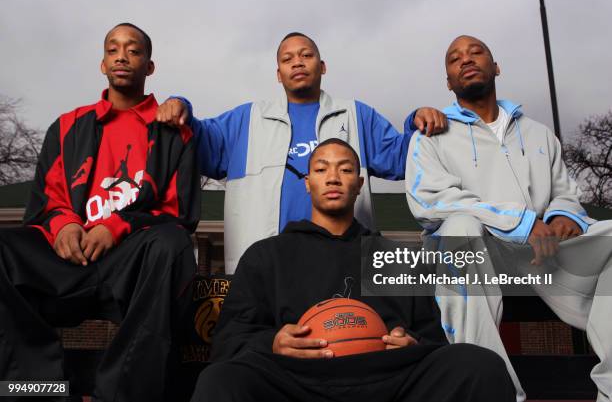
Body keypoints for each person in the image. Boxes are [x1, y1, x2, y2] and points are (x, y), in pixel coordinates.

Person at [189, 138, 516, 402]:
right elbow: (228, 341)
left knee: (479, 365)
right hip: (298, 382)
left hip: (387, 380)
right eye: (321, 169)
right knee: (221, 380)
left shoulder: (394, 257)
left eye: (345, 170)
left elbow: (432, 341)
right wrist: (272, 342)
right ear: (307, 183)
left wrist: (412, 343)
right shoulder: (266, 255)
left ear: (358, 184)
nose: (333, 177)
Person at [405, 35, 612, 402]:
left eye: (476, 52)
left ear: (495, 66)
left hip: (541, 253)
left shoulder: (538, 134)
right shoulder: (431, 135)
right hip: (479, 252)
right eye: (455, 59)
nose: (466, 60)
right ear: (449, 81)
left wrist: (564, 216)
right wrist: (521, 222)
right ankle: (491, 392)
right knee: (460, 229)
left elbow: (564, 191)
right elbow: (431, 201)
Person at [0, 23, 200, 401]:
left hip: (128, 259)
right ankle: (37, 388)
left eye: (134, 50)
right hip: (65, 257)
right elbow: (46, 199)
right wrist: (64, 225)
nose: (122, 56)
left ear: (149, 66)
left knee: (171, 242)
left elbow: (180, 212)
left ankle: (121, 392)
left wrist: (117, 225)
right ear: (103, 63)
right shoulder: (66, 126)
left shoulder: (174, 132)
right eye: (113, 49)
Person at [156, 32, 448, 274]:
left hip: (343, 263)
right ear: (278, 74)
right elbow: (199, 140)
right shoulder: (247, 120)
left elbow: (401, 159)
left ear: (322, 66)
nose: (297, 62)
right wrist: (180, 106)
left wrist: (417, 122)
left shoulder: (356, 115)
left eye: (306, 55)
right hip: (267, 269)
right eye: (287, 59)